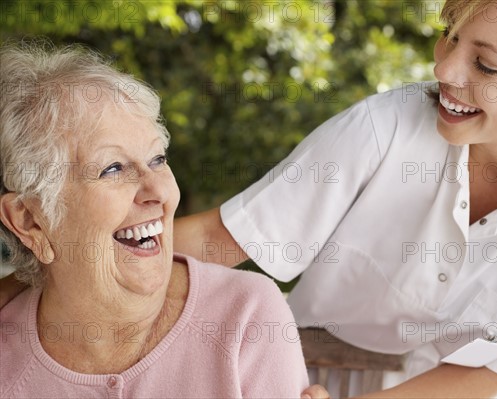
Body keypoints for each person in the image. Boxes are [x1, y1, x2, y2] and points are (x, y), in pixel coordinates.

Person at [1, 0, 497, 397]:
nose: (444, 67)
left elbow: (493, 367)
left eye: (486, 66)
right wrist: (40, 267)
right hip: (301, 375)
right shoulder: (387, 127)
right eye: (449, 35)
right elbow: (224, 240)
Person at [0, 42, 308, 397]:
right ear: (30, 221)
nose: (158, 191)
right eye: (112, 168)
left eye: (158, 159)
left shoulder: (245, 315)